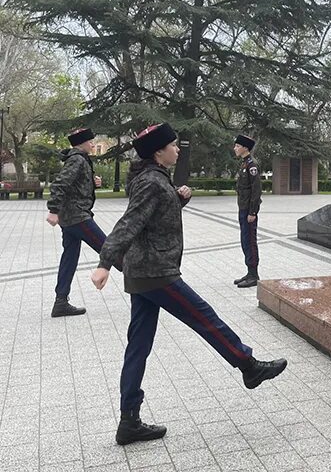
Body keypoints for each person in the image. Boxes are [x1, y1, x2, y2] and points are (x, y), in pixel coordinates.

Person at [91, 123, 286, 446]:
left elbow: (151, 218)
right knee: (205, 317)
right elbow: (129, 223)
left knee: (138, 346)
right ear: (158, 151)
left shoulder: (152, 179)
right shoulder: (152, 182)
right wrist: (104, 263)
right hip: (156, 272)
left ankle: (129, 421)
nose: (177, 149)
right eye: (173, 145)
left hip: (144, 272)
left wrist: (177, 198)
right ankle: (248, 365)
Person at [46, 127, 105, 317]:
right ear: (81, 143)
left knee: (69, 258)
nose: (93, 144)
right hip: (78, 218)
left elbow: (73, 185)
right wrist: (53, 210)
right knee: (111, 250)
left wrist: (92, 183)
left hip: (70, 219)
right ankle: (146, 291)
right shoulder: (78, 159)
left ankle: (60, 302)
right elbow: (60, 184)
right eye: (90, 141)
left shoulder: (79, 159)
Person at [232, 134, 262, 288]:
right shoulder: (244, 164)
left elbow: (256, 191)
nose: (235, 148)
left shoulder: (252, 165)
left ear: (245, 147)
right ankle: (249, 272)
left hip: (248, 211)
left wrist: (253, 212)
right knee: (245, 241)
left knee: (250, 241)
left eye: (237, 146)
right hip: (242, 208)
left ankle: (254, 275)